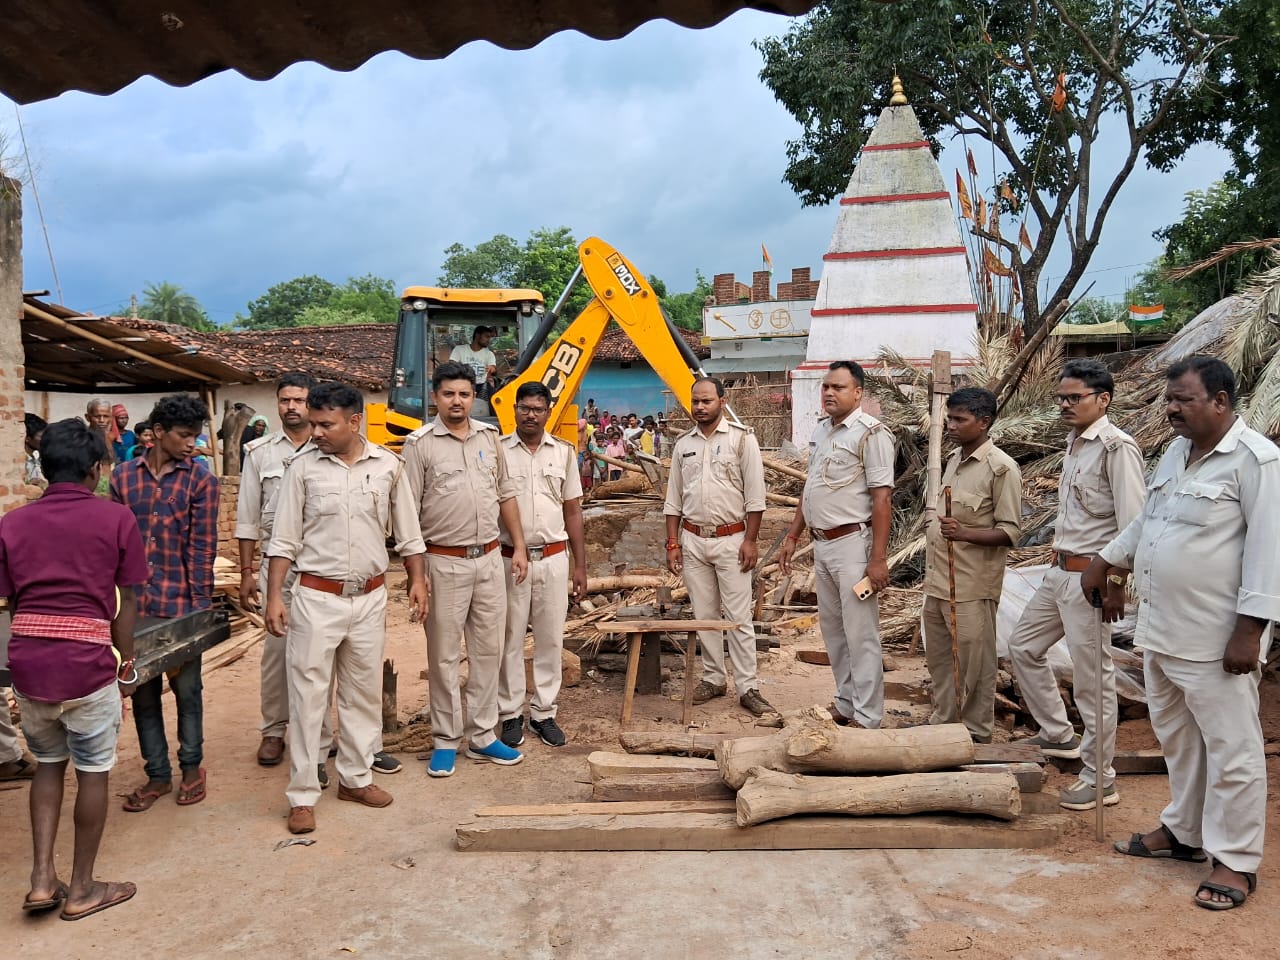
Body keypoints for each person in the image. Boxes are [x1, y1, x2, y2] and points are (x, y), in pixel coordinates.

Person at [1085, 356, 1280, 911]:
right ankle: (1185, 833)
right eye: (1169, 399)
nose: (1170, 408)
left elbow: (1271, 552)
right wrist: (1108, 558)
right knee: (1178, 740)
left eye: (1183, 399)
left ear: (1220, 402)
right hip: (1161, 630)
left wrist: (1249, 632)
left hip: (1216, 639)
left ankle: (1237, 861)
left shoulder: (1257, 462)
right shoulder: (1175, 452)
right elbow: (1151, 520)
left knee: (1232, 750)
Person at [1, 417, 149, 919]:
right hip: (87, 665)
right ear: (96, 469)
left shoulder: (13, 523)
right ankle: (83, 888)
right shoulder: (115, 519)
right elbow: (125, 601)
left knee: (47, 766)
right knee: (93, 771)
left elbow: (9, 599)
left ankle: (43, 880)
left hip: (29, 665)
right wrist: (126, 664)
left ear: (43, 468)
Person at [265, 382, 428, 835]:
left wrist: (417, 579)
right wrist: (275, 595)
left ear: (355, 422)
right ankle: (302, 795)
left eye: (324, 424)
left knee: (362, 693)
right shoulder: (302, 470)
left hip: (371, 597)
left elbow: (408, 533)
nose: (314, 431)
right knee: (308, 698)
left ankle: (356, 779)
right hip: (316, 598)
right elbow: (283, 539)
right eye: (313, 423)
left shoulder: (388, 467)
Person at [1008, 360, 1145, 810]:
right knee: (1024, 647)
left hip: (1093, 577)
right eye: (1061, 398)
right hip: (1059, 571)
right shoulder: (1074, 445)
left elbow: (1133, 526)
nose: (1065, 405)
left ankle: (1100, 776)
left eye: (1075, 398)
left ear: (1102, 400)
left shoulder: (1115, 448)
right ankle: (1058, 734)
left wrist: (1117, 586)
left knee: (1093, 682)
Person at [403, 361, 529, 777]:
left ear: (474, 397)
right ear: (435, 397)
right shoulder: (419, 445)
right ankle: (445, 739)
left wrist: (520, 547)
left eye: (464, 394)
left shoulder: (489, 438)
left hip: (491, 559)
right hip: (443, 562)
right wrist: (417, 577)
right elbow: (407, 515)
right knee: (442, 656)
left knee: (488, 651)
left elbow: (506, 494)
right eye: (448, 394)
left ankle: (482, 736)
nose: (457, 401)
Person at [112, 394, 219, 811]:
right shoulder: (123, 478)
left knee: (188, 690)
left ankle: (192, 765)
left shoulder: (200, 481)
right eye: (185, 435)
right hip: (135, 608)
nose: (193, 443)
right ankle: (157, 773)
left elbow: (202, 547)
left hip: (180, 604)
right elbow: (117, 547)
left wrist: (199, 608)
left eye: (196, 435)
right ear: (158, 433)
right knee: (142, 693)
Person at [779, 361, 894, 728]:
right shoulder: (822, 431)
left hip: (852, 546)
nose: (828, 392)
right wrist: (793, 535)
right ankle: (846, 703)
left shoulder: (870, 434)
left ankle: (869, 716)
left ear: (857, 393)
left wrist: (877, 559)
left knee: (861, 634)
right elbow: (810, 489)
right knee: (833, 631)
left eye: (838, 387)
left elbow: (882, 499)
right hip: (822, 545)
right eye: (825, 386)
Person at [664, 378, 773, 716]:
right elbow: (673, 501)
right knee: (704, 615)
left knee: (738, 617)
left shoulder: (742, 441)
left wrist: (751, 541)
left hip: (732, 540)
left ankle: (748, 686)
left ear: (722, 402)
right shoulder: (683, 445)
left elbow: (755, 499)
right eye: (695, 401)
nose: (700, 407)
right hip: (693, 540)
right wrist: (672, 543)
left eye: (707, 401)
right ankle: (714, 678)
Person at [236, 374, 327, 771]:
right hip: (279, 571)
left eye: (300, 400)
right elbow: (246, 518)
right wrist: (245, 572)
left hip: (321, 566)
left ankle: (320, 731)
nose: (292, 407)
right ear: (277, 404)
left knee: (322, 656)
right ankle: (274, 731)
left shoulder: (327, 447)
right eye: (285, 400)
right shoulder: (259, 453)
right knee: (276, 654)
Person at [922, 387, 1022, 743]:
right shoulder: (954, 461)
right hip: (939, 581)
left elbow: (1010, 532)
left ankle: (977, 732)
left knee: (974, 662)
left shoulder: (1001, 469)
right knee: (940, 659)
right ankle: (944, 723)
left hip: (972, 585)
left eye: (959, 419)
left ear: (984, 422)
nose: (951, 425)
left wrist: (964, 533)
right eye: (949, 418)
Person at [496, 382, 587, 748]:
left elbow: (574, 511)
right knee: (510, 639)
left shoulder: (563, 453)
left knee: (550, 638)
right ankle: (510, 715)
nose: (530, 414)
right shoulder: (499, 452)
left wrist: (580, 566)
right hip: (509, 560)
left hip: (553, 559)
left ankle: (544, 714)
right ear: (514, 410)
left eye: (537, 408)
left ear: (549, 411)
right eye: (524, 408)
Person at [448, 326, 498, 414]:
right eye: (486, 336)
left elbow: (493, 367)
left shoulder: (489, 354)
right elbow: (452, 364)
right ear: (478, 336)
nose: (488, 340)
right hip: (462, 384)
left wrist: (491, 369)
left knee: (493, 397)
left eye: (490, 337)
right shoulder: (459, 350)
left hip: (481, 386)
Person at [85, 398, 114, 496]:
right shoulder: (83, 439)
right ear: (88, 417)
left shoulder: (107, 436)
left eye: (106, 416)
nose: (102, 420)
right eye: (97, 416)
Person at [23, 412, 46, 488]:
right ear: (27, 438)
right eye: (41, 437)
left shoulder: (45, 456)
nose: (45, 440)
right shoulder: (20, 462)